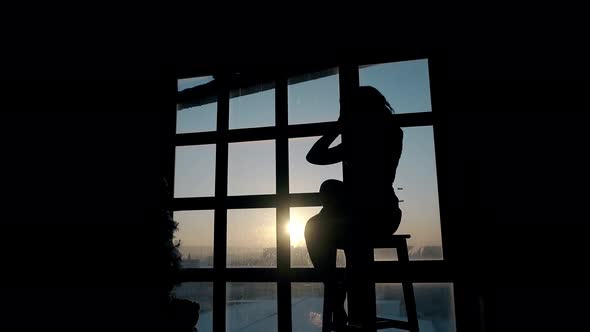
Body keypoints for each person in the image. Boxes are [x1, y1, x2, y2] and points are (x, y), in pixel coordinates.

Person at [304, 86, 404, 326]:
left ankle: (337, 296)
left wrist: (337, 128)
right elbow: (314, 157)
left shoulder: (369, 137)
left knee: (320, 225)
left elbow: (314, 156)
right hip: (375, 213)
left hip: (374, 215)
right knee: (329, 210)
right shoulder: (389, 131)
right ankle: (339, 295)